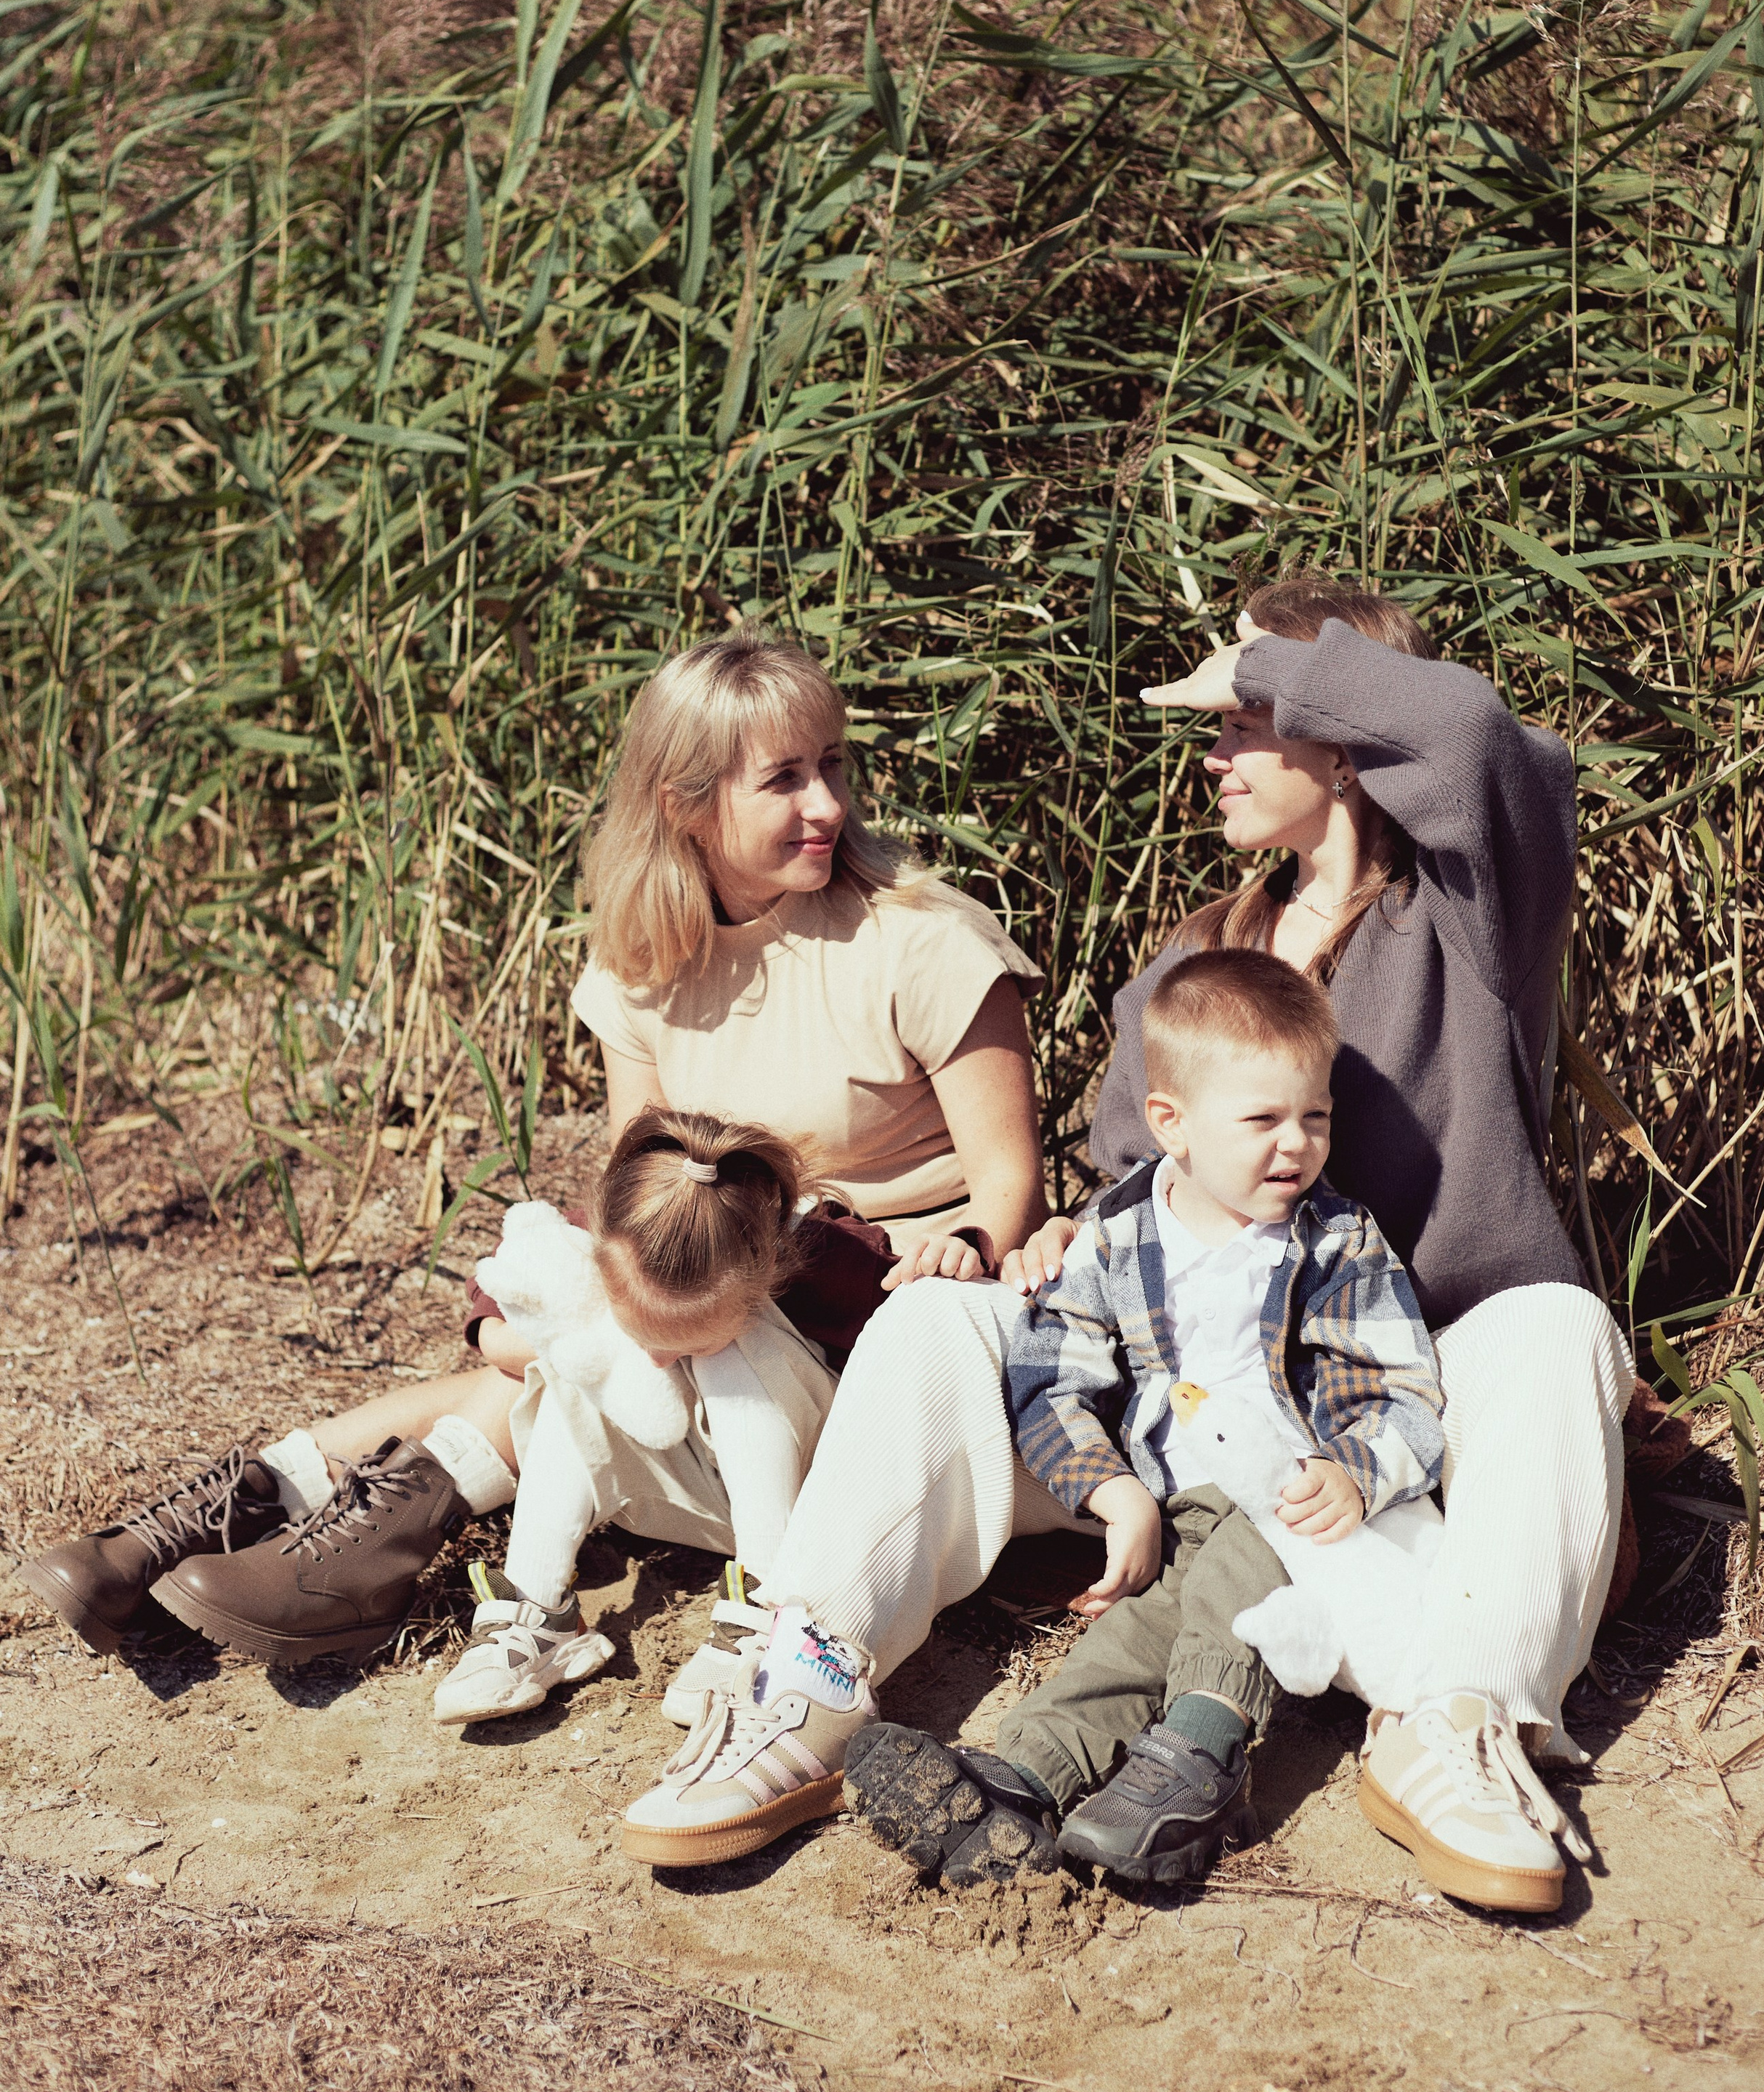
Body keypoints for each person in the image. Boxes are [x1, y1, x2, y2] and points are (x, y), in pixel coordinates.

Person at [649, 573, 1626, 1915]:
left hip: (1398, 1406)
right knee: (941, 1318)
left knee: (1560, 1323)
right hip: (1191, 1406)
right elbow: (1136, 1188)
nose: (1213, 754)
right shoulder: (1194, 965)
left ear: (1340, 737)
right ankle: (805, 1681)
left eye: (1242, 721)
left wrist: (1286, 657)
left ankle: (1458, 1726)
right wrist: (1060, 1237)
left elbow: (1471, 738)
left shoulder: (1465, 919)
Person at [20, 631, 1048, 1676]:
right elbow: (635, 1186)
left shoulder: (923, 943)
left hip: (876, 1314)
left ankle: (300, 1552)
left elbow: (1009, 1187)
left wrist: (961, 1245)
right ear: (684, 803)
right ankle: (217, 1534)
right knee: (567, 1329)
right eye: (784, 780)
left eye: (831, 765)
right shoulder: (648, 961)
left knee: (556, 1367)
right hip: (716, 1279)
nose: (827, 804)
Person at [846, 948, 1446, 1891]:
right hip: (1189, 1502)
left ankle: (1199, 1757)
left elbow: (1403, 1391)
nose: (1296, 1145)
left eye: (1315, 1119)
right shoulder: (1122, 1234)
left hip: (1300, 1506)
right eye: (1263, 1121)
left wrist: (1356, 1469)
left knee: (1235, 1584)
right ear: (1171, 1124)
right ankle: (1022, 1783)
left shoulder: (1337, 1241)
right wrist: (1111, 1488)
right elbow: (1051, 1376)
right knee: (1137, 1637)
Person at [429, 1108, 838, 1734]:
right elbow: (520, 1282)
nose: (657, 1359)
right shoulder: (632, 1231)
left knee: (735, 1345)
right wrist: (509, 1327)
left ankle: (769, 1614)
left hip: (806, 1503)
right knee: (583, 1343)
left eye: (682, 1342)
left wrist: (962, 1252)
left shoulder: (835, 1254)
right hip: (698, 1486)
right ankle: (537, 1608)